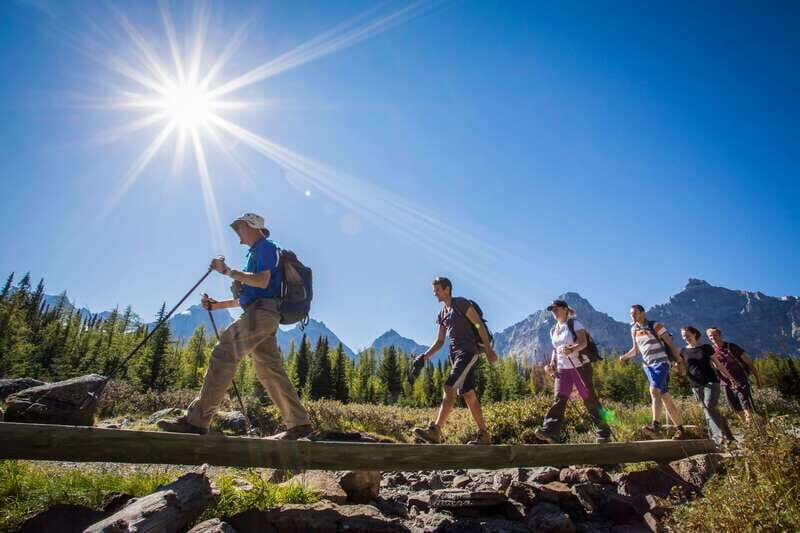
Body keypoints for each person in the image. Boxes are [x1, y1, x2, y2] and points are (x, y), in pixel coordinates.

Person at [158, 213, 313, 440]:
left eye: (240, 227)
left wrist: (227, 271)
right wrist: (217, 305)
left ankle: (197, 421)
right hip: (263, 312)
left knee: (224, 352)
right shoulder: (255, 252)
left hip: (262, 312)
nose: (237, 233)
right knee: (269, 369)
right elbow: (252, 294)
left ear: (252, 227)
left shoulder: (266, 247)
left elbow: (262, 281)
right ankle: (299, 425)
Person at [411, 277, 498, 445]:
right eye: (434, 290)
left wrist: (488, 349)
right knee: (468, 394)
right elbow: (440, 342)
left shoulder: (461, 304)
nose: (434, 293)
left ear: (447, 289)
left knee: (449, 386)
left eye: (437, 290)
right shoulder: (442, 313)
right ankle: (484, 435)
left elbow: (478, 324)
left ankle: (436, 430)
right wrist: (423, 357)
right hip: (455, 356)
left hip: (468, 352)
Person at [534, 300, 612, 444]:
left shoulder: (574, 324)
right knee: (559, 398)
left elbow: (583, 342)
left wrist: (571, 349)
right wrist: (552, 363)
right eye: (552, 310)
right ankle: (550, 431)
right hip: (563, 369)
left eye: (556, 309)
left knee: (589, 399)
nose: (554, 312)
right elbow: (555, 349)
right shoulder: (553, 329)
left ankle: (604, 432)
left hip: (580, 367)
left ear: (564, 309)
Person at [620, 305, 687, 439]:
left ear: (643, 313)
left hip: (661, 362)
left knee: (654, 391)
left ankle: (655, 425)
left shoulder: (655, 325)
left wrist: (678, 360)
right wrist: (625, 357)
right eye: (631, 314)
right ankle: (680, 429)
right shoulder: (634, 329)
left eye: (635, 313)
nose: (632, 316)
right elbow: (636, 350)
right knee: (665, 397)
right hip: (647, 366)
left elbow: (669, 342)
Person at [679, 326, 736, 446]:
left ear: (694, 334)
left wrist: (730, 377)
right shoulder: (683, 351)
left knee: (709, 406)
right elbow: (683, 372)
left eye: (687, 335)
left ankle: (718, 439)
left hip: (711, 382)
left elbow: (718, 364)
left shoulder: (706, 348)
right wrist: (675, 366)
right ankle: (729, 438)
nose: (685, 338)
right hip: (695, 385)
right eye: (683, 336)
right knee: (708, 411)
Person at [707, 327, 763, 425]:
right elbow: (714, 368)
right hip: (725, 383)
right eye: (710, 336)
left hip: (741, 380)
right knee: (735, 407)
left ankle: (752, 425)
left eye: (715, 335)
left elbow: (749, 362)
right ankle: (747, 426)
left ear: (720, 335)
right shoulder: (712, 351)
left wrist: (758, 378)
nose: (713, 337)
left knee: (745, 403)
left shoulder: (731, 347)